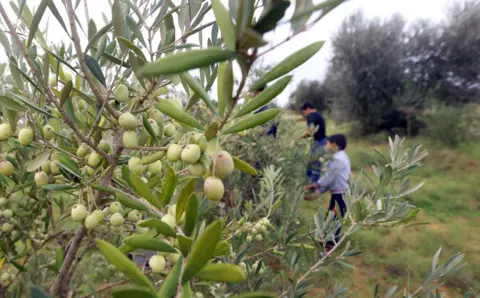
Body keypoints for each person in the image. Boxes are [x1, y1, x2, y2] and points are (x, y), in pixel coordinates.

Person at [304, 134, 351, 252]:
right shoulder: (342, 156)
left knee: (333, 221)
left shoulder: (337, 159)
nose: (326, 145)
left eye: (327, 143)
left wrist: (315, 186)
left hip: (340, 195)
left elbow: (328, 178)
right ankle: (324, 244)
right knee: (331, 219)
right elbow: (331, 180)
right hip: (339, 194)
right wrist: (318, 191)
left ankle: (328, 249)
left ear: (334, 144)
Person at [299, 101, 327, 182]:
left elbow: (310, 131)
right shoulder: (318, 114)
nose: (303, 113)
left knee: (314, 166)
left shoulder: (311, 115)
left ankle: (312, 187)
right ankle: (309, 184)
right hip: (322, 141)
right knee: (313, 164)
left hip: (319, 143)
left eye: (304, 110)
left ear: (308, 109)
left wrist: (299, 138)